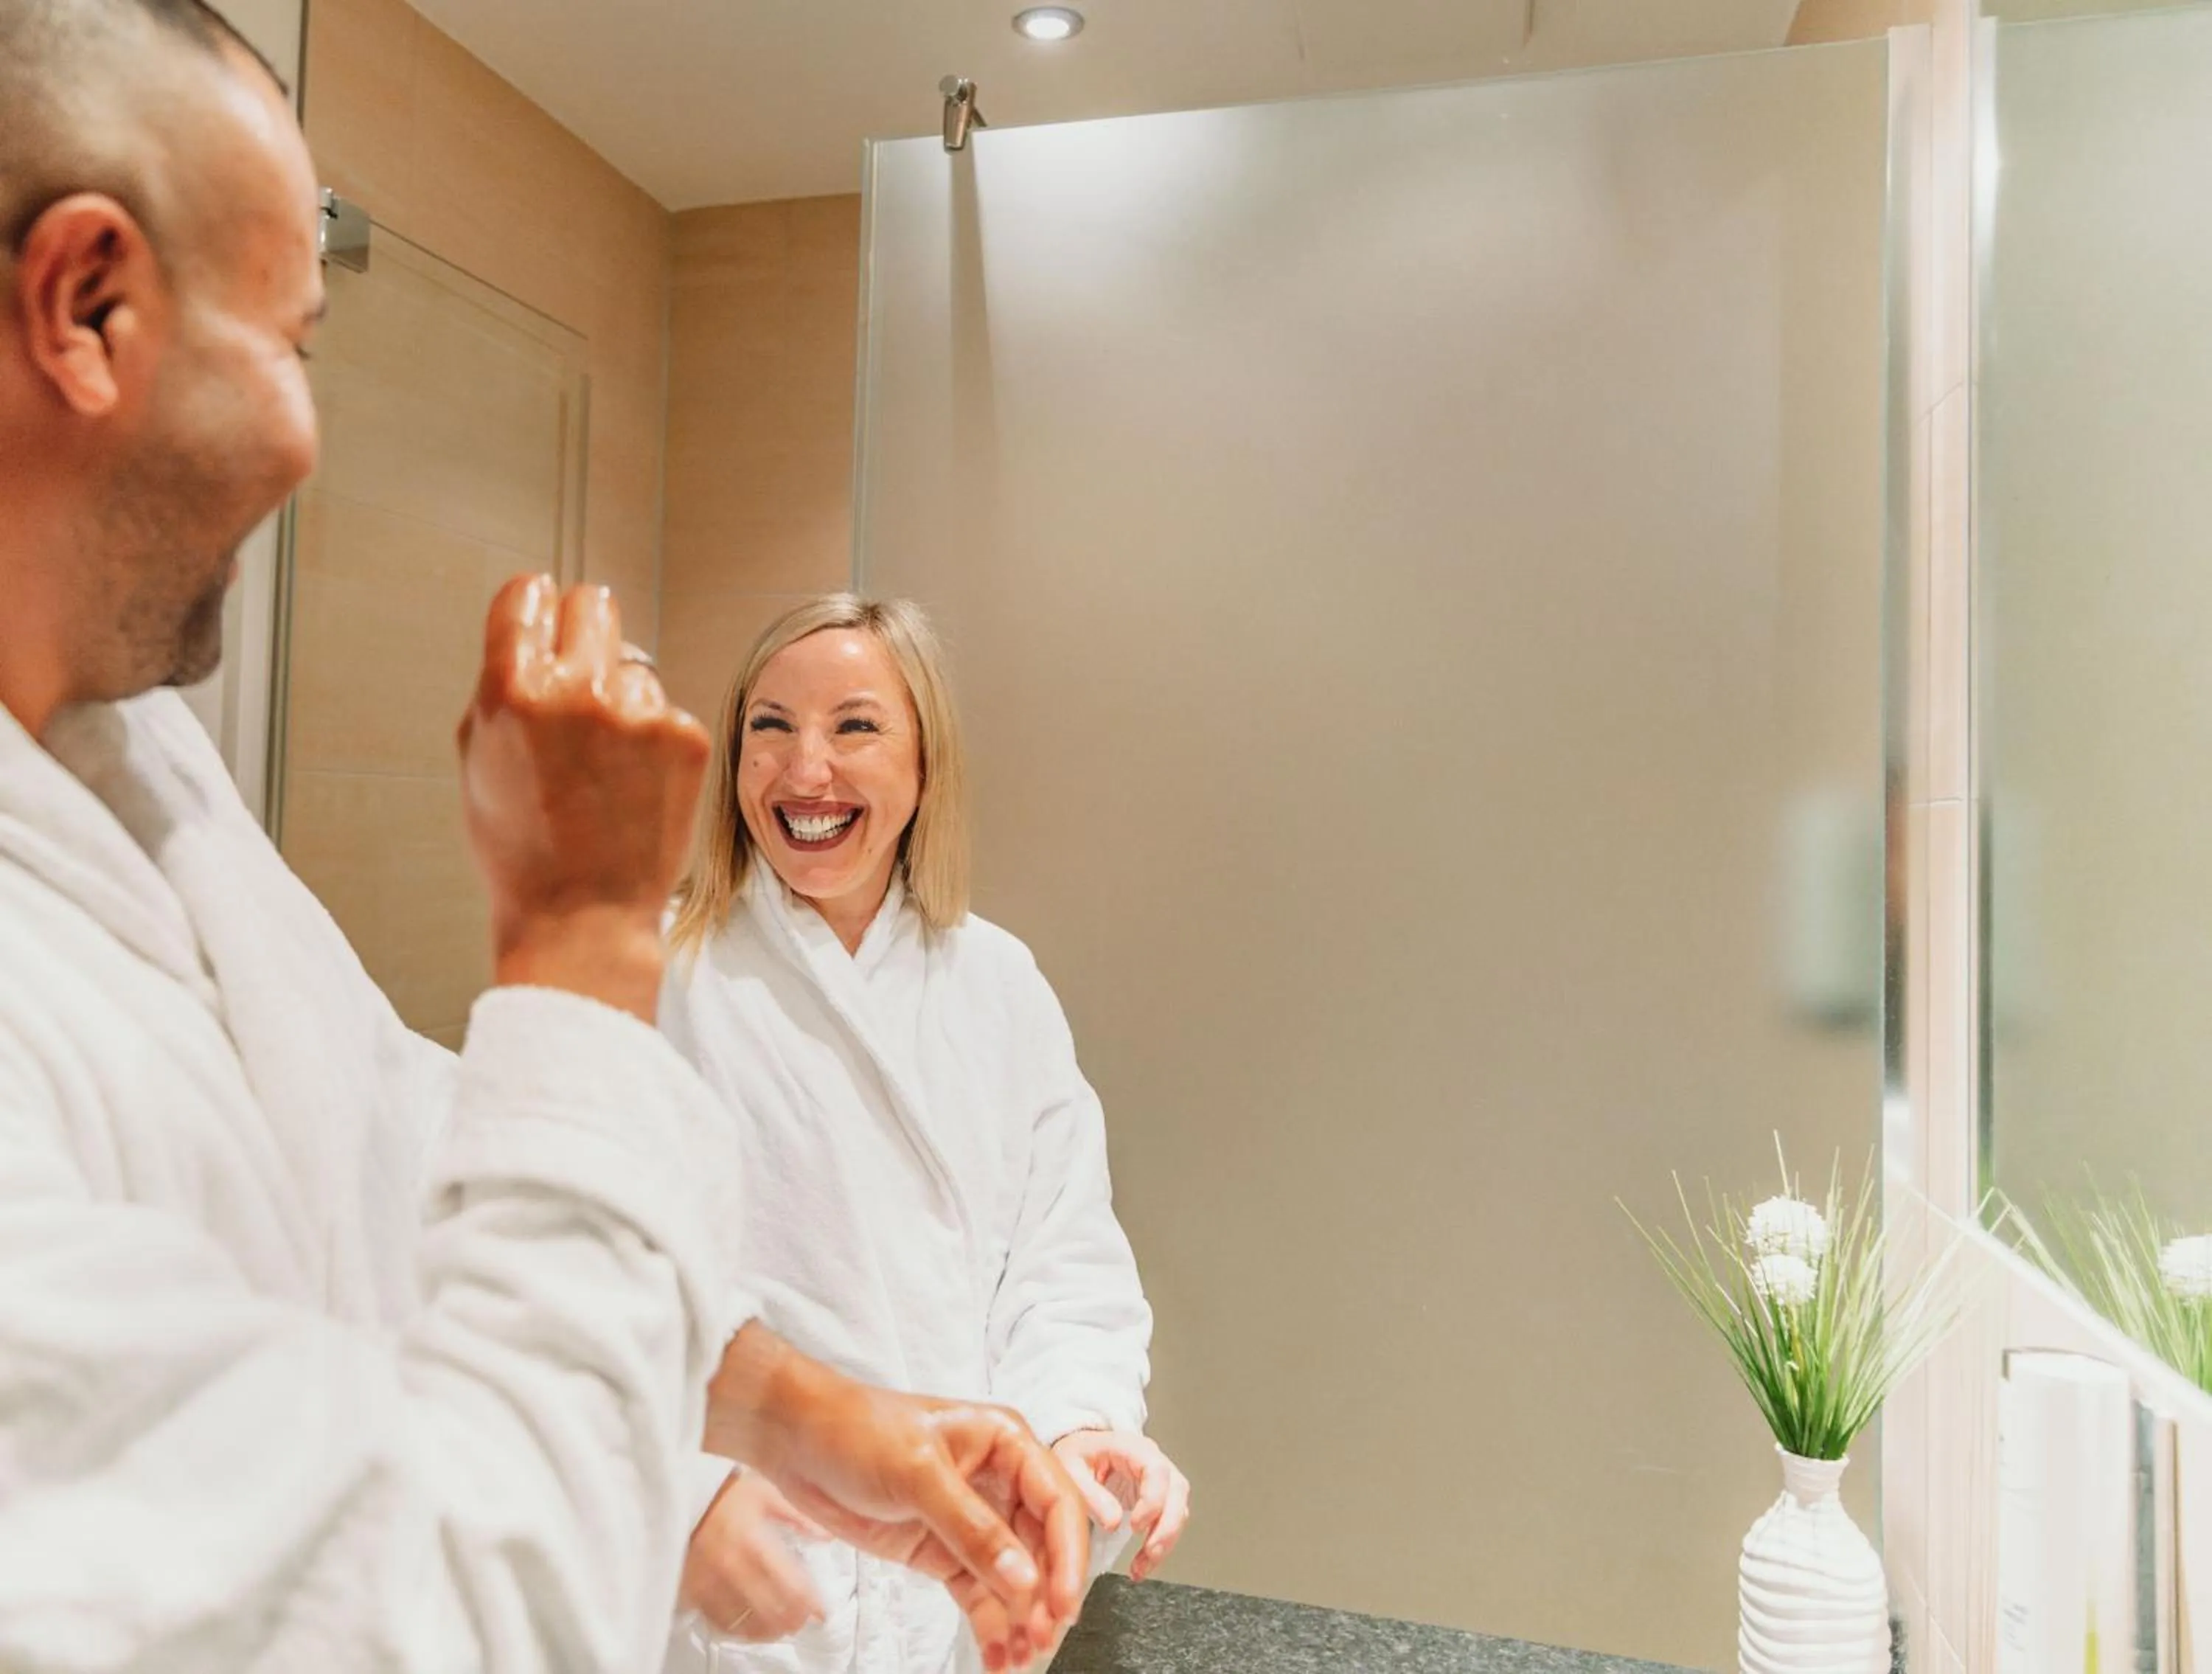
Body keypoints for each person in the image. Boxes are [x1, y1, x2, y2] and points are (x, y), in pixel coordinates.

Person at [0, 4, 1086, 1669]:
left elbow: (380, 1140)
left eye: (863, 726)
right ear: (86, 305)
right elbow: (437, 1620)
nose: (306, 441)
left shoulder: (127, 755)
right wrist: (585, 937)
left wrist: (798, 1412)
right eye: (289, 343)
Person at [659, 596, 1194, 1673]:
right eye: (771, 726)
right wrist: (685, 1494)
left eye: (854, 727)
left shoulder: (998, 985)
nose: (806, 770)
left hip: (959, 1589)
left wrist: (1075, 1428)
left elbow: (1062, 1254)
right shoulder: (658, 970)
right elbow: (582, 1283)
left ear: (923, 766)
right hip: (749, 1581)